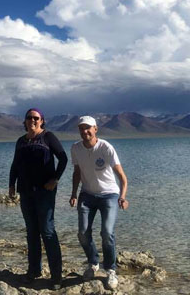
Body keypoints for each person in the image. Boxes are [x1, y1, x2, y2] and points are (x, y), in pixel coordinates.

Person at [9, 108, 68, 290]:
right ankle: (34, 270)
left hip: (45, 192)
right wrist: (11, 185)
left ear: (42, 121)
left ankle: (56, 275)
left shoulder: (48, 137)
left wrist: (55, 179)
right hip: (26, 192)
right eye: (29, 118)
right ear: (25, 121)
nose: (32, 121)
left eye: (36, 118)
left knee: (48, 231)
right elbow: (15, 165)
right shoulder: (21, 141)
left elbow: (63, 159)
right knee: (31, 232)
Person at [69, 115, 129, 290]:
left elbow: (122, 178)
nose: (84, 131)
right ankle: (93, 263)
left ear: (96, 129)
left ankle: (110, 269)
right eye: (81, 128)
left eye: (88, 128)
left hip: (109, 195)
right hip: (87, 195)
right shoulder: (75, 148)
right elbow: (77, 173)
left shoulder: (106, 148)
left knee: (107, 232)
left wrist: (123, 197)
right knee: (82, 233)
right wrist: (73, 194)